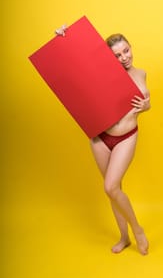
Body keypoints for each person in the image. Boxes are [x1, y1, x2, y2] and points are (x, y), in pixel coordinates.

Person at [56, 27, 150, 255]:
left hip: (126, 136)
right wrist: (63, 39)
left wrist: (147, 106)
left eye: (126, 51)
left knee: (110, 186)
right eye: (117, 55)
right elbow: (72, 70)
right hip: (100, 138)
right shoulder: (103, 74)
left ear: (131, 47)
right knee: (112, 190)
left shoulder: (141, 74)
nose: (124, 57)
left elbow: (145, 103)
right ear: (110, 58)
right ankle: (124, 237)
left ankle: (137, 230)